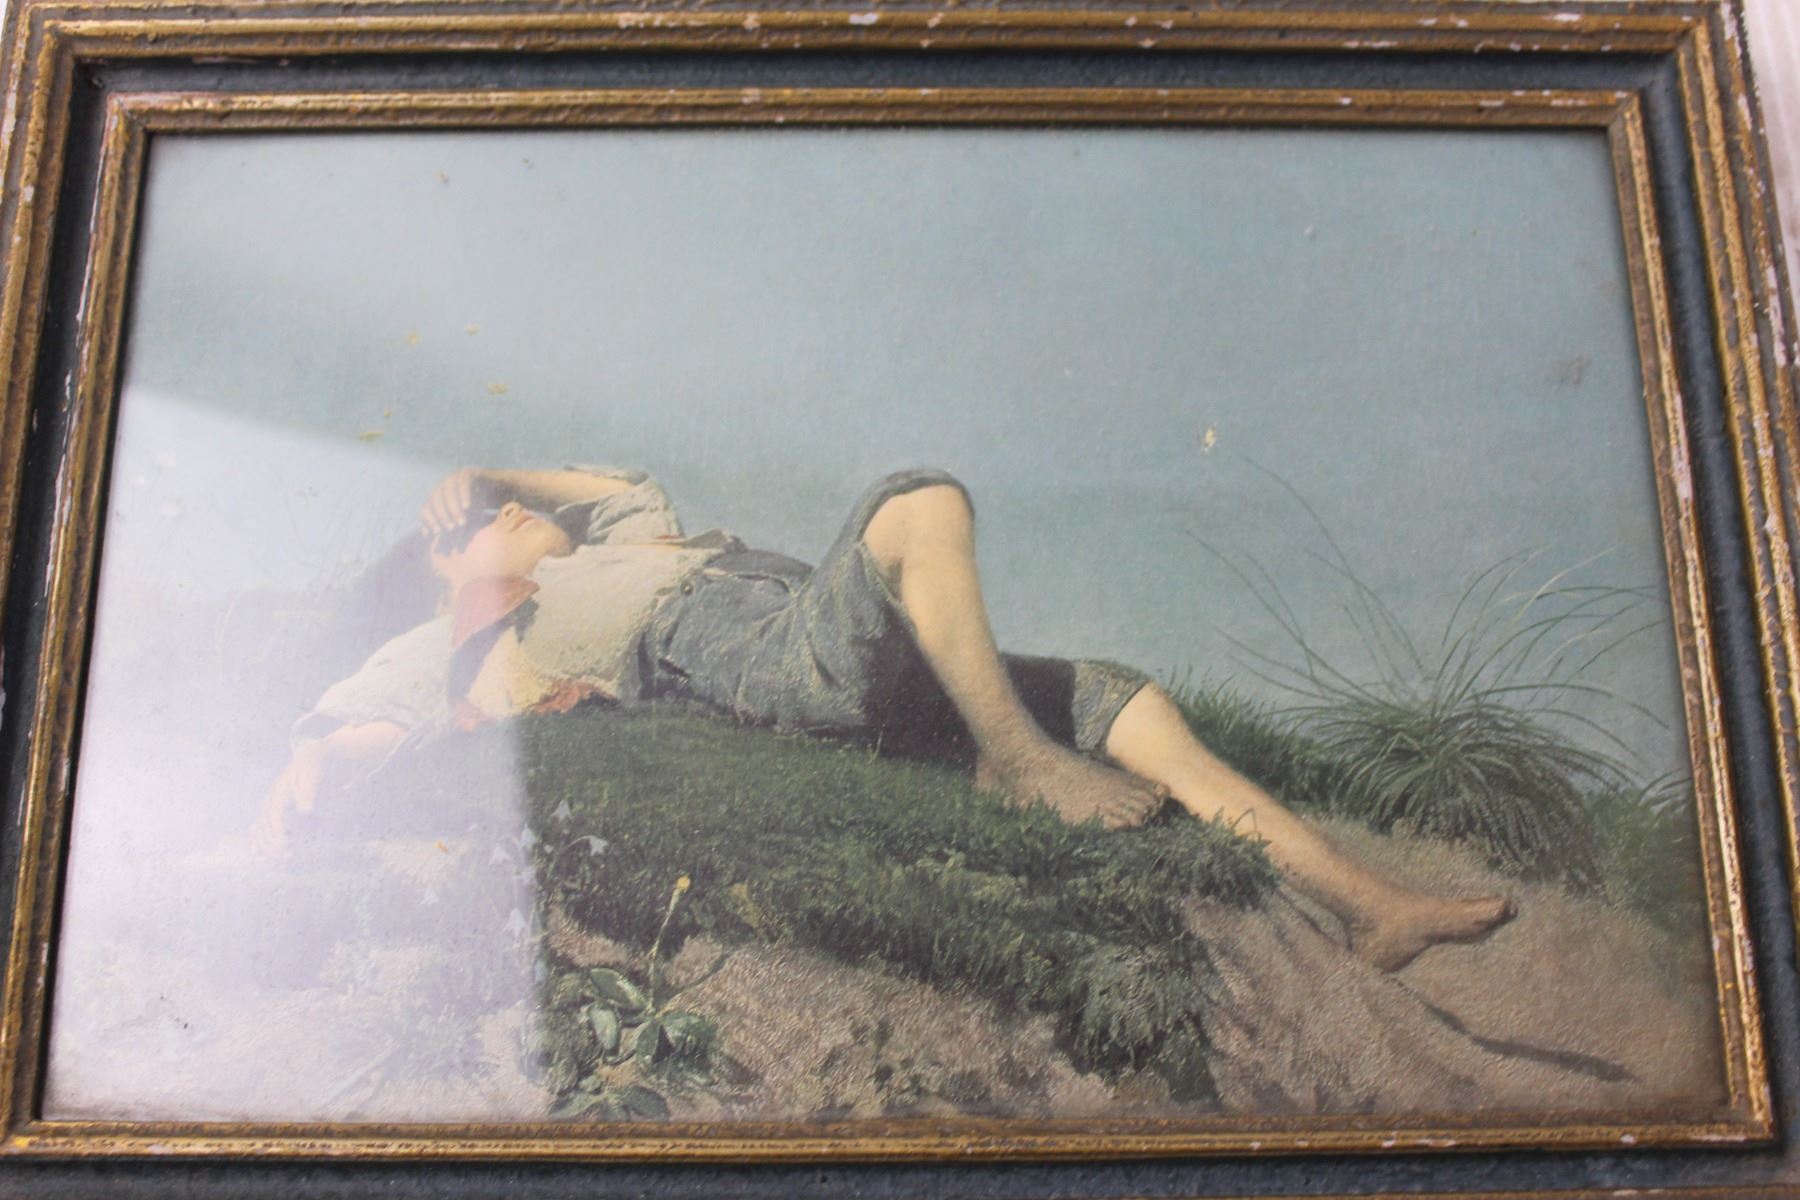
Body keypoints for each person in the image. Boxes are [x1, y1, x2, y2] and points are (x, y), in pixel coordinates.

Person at [253, 465, 1514, 971]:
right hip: (753, 658)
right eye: (490, 522)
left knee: (1122, 693)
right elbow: (357, 728)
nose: (524, 515)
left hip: (834, 635)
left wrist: (488, 469)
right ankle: (1018, 762)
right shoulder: (465, 637)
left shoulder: (620, 542)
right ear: (446, 571)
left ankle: (1370, 904)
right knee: (921, 504)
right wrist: (295, 793)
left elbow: (618, 484)